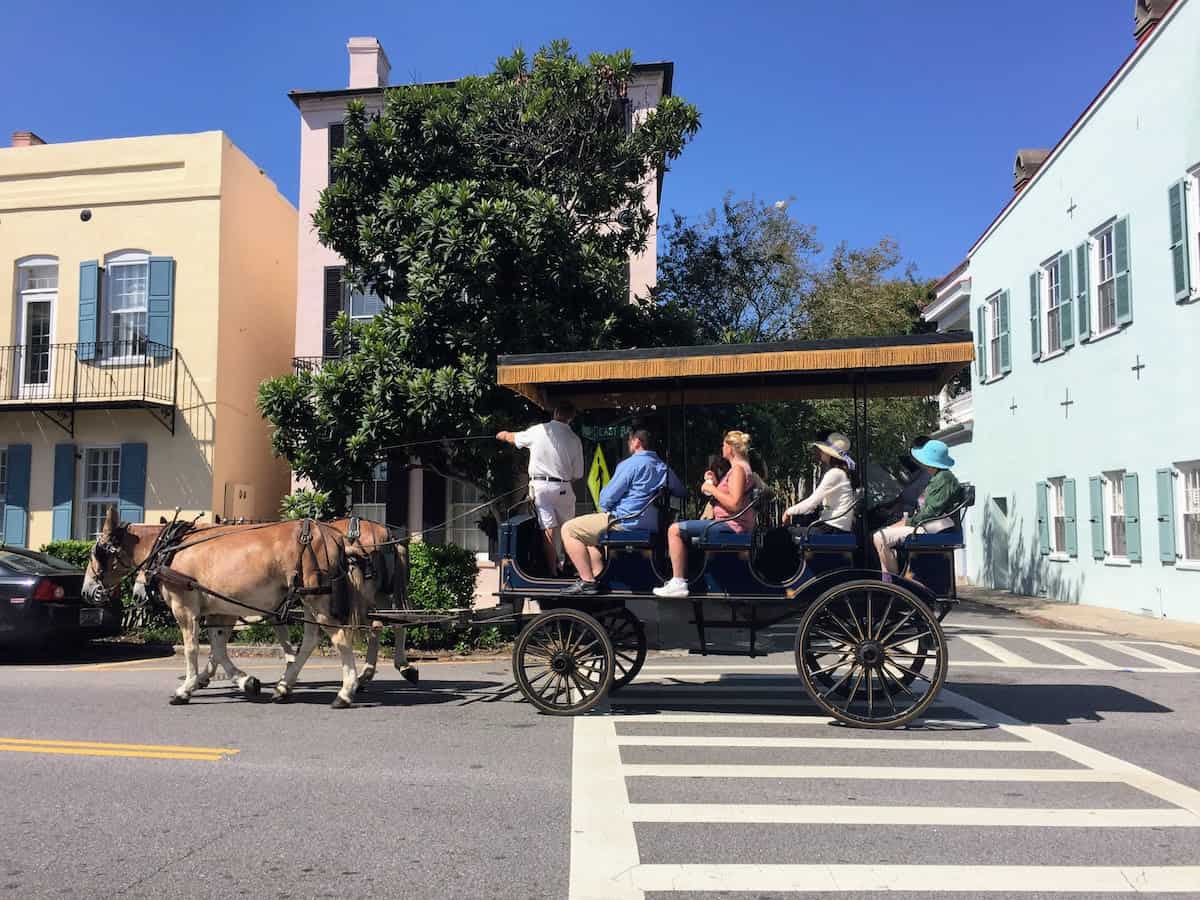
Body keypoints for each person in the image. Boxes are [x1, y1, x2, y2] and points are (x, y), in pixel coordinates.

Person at [560, 429, 684, 596]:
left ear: (637, 442)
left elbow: (605, 500)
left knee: (569, 529)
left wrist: (609, 508)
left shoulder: (630, 464)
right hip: (651, 525)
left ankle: (587, 581)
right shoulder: (663, 467)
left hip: (625, 521)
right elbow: (681, 491)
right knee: (588, 534)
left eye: (630, 441)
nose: (628, 444)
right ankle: (598, 573)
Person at [654, 430, 757, 599]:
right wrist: (716, 483)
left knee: (674, 529)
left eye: (724, 445)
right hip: (732, 523)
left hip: (731, 525)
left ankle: (678, 582)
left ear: (731, 448)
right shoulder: (742, 468)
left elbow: (735, 504)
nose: (722, 448)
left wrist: (711, 488)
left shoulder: (738, 469)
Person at [496, 400, 585, 575]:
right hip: (564, 486)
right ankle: (571, 568)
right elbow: (578, 474)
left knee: (548, 530)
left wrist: (502, 434)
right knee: (569, 529)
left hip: (542, 486)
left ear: (556, 412)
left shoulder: (540, 431)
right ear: (572, 417)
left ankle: (553, 571)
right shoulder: (575, 439)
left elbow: (514, 438)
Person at [872, 439, 964, 578]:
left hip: (935, 528)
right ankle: (891, 580)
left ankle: (894, 584)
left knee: (880, 537)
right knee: (883, 536)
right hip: (930, 526)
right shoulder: (939, 477)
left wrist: (907, 522)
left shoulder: (944, 479)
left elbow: (930, 512)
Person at [782, 434, 858, 534]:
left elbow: (812, 502)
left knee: (779, 534)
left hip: (832, 528)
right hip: (837, 527)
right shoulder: (841, 473)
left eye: (822, 450)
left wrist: (788, 512)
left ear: (829, 453)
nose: (819, 452)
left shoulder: (835, 473)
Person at [699, 454, 731, 519]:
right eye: (716, 468)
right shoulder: (718, 479)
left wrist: (711, 488)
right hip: (715, 516)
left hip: (725, 519)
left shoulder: (734, 475)